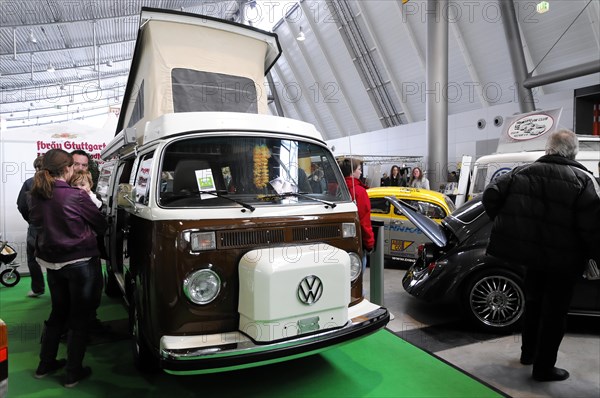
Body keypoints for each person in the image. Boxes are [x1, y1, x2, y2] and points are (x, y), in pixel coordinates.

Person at [482, 129, 600, 382]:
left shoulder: (521, 173)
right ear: (574, 151)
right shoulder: (583, 180)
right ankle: (544, 368)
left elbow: (490, 195)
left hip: (531, 257)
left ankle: (528, 355)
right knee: (555, 314)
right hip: (564, 262)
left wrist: (508, 224)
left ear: (548, 148)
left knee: (533, 305)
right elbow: (592, 227)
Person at [29, 149, 107, 387]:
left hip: (52, 264)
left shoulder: (36, 195)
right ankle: (73, 371)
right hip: (80, 262)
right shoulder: (75, 195)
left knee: (58, 313)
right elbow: (100, 224)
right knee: (79, 318)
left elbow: (33, 220)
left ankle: (45, 364)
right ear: (67, 168)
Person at [16, 155, 46, 298]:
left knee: (32, 258)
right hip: (59, 226)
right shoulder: (60, 182)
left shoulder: (29, 183)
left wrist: (31, 220)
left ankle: (38, 288)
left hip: (36, 226)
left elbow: (21, 205)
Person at [339, 158, 375, 263]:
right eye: (359, 169)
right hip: (356, 242)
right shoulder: (360, 192)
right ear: (352, 172)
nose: (361, 171)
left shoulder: (336, 189)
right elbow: (364, 220)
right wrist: (369, 243)